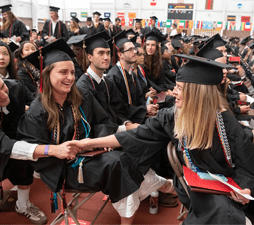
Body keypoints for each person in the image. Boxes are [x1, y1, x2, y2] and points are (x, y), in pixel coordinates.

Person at [70, 54, 254, 224]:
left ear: (197, 93)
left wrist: (245, 189)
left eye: (180, 88)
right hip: (195, 185)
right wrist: (88, 143)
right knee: (222, 212)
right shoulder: (173, 116)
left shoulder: (226, 123)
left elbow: (246, 168)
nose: (174, 92)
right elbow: (132, 136)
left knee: (225, 211)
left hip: (226, 188)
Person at [19, 38, 175, 225]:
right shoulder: (37, 111)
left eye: (71, 72)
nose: (70, 77)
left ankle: (155, 186)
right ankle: (158, 186)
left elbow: (102, 122)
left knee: (131, 149)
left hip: (92, 152)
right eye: (63, 72)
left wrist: (104, 141)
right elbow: (33, 149)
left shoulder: (81, 96)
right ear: (46, 74)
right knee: (118, 162)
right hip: (62, 168)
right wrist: (61, 151)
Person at [0, 46, 85, 225]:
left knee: (25, 155)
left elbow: (28, 119)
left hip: (10, 136)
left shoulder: (14, 88)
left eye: (1, 86)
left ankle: (23, 204)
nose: (3, 94)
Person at [76, 31, 147, 128]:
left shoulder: (108, 83)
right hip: (99, 139)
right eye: (101, 53)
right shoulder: (83, 87)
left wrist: (127, 123)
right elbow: (95, 123)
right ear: (90, 57)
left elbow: (118, 110)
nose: (106, 57)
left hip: (115, 132)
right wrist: (125, 128)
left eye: (108, 53)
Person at [107, 30, 158, 117]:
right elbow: (119, 107)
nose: (135, 52)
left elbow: (139, 99)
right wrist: (145, 109)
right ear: (120, 55)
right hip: (125, 120)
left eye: (134, 48)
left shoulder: (131, 73)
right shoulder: (114, 76)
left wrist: (149, 107)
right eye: (130, 49)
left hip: (137, 115)